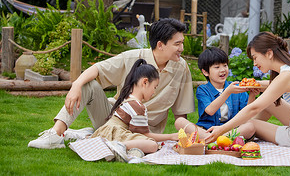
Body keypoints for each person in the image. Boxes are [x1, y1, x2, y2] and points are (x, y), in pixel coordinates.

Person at [28, 18, 194, 149]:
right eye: (177, 44)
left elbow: (181, 114)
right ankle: (56, 134)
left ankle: (92, 135)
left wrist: (185, 136)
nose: (182, 49)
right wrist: (76, 85)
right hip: (114, 119)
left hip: (145, 132)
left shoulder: (182, 68)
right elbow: (98, 70)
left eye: (182, 43)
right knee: (89, 84)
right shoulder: (132, 57)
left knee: (145, 146)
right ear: (160, 45)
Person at [205, 32, 290, 149]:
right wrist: (256, 84)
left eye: (255, 58)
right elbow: (274, 85)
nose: (254, 63)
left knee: (254, 123)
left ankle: (218, 139)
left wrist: (221, 129)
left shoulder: (286, 76)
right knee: (268, 103)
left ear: (269, 54)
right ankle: (243, 128)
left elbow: (253, 108)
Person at [91, 59, 177, 162]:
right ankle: (119, 146)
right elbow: (144, 135)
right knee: (152, 145)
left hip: (108, 131)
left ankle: (124, 148)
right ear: (145, 82)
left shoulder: (128, 98)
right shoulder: (137, 106)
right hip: (116, 134)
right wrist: (171, 136)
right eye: (154, 87)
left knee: (147, 143)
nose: (154, 92)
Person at [175, 47, 256, 140]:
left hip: (229, 129)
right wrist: (227, 92)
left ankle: (213, 139)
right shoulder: (203, 90)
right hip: (206, 129)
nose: (222, 70)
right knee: (179, 121)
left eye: (225, 65)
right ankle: (215, 138)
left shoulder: (235, 87)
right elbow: (210, 110)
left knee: (250, 126)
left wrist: (252, 94)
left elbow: (246, 113)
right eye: (217, 67)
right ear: (205, 72)